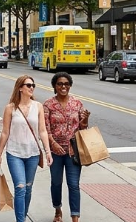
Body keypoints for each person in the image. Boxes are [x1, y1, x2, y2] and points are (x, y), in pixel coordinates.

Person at [0, 75, 52, 222]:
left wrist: (47, 151)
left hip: (33, 153)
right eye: (28, 85)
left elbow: (42, 131)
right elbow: (5, 132)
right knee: (20, 188)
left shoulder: (38, 106)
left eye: (33, 85)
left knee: (28, 188)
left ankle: (23, 215)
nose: (31, 87)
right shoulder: (10, 108)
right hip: (14, 153)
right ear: (20, 88)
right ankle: (20, 220)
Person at [44, 72, 90, 222]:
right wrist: (53, 144)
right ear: (55, 86)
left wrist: (85, 121)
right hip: (55, 151)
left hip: (73, 151)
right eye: (60, 84)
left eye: (66, 84)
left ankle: (75, 216)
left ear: (70, 86)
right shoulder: (48, 105)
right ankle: (58, 210)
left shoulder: (77, 104)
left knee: (73, 184)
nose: (63, 86)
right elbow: (45, 129)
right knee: (56, 183)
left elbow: (82, 129)